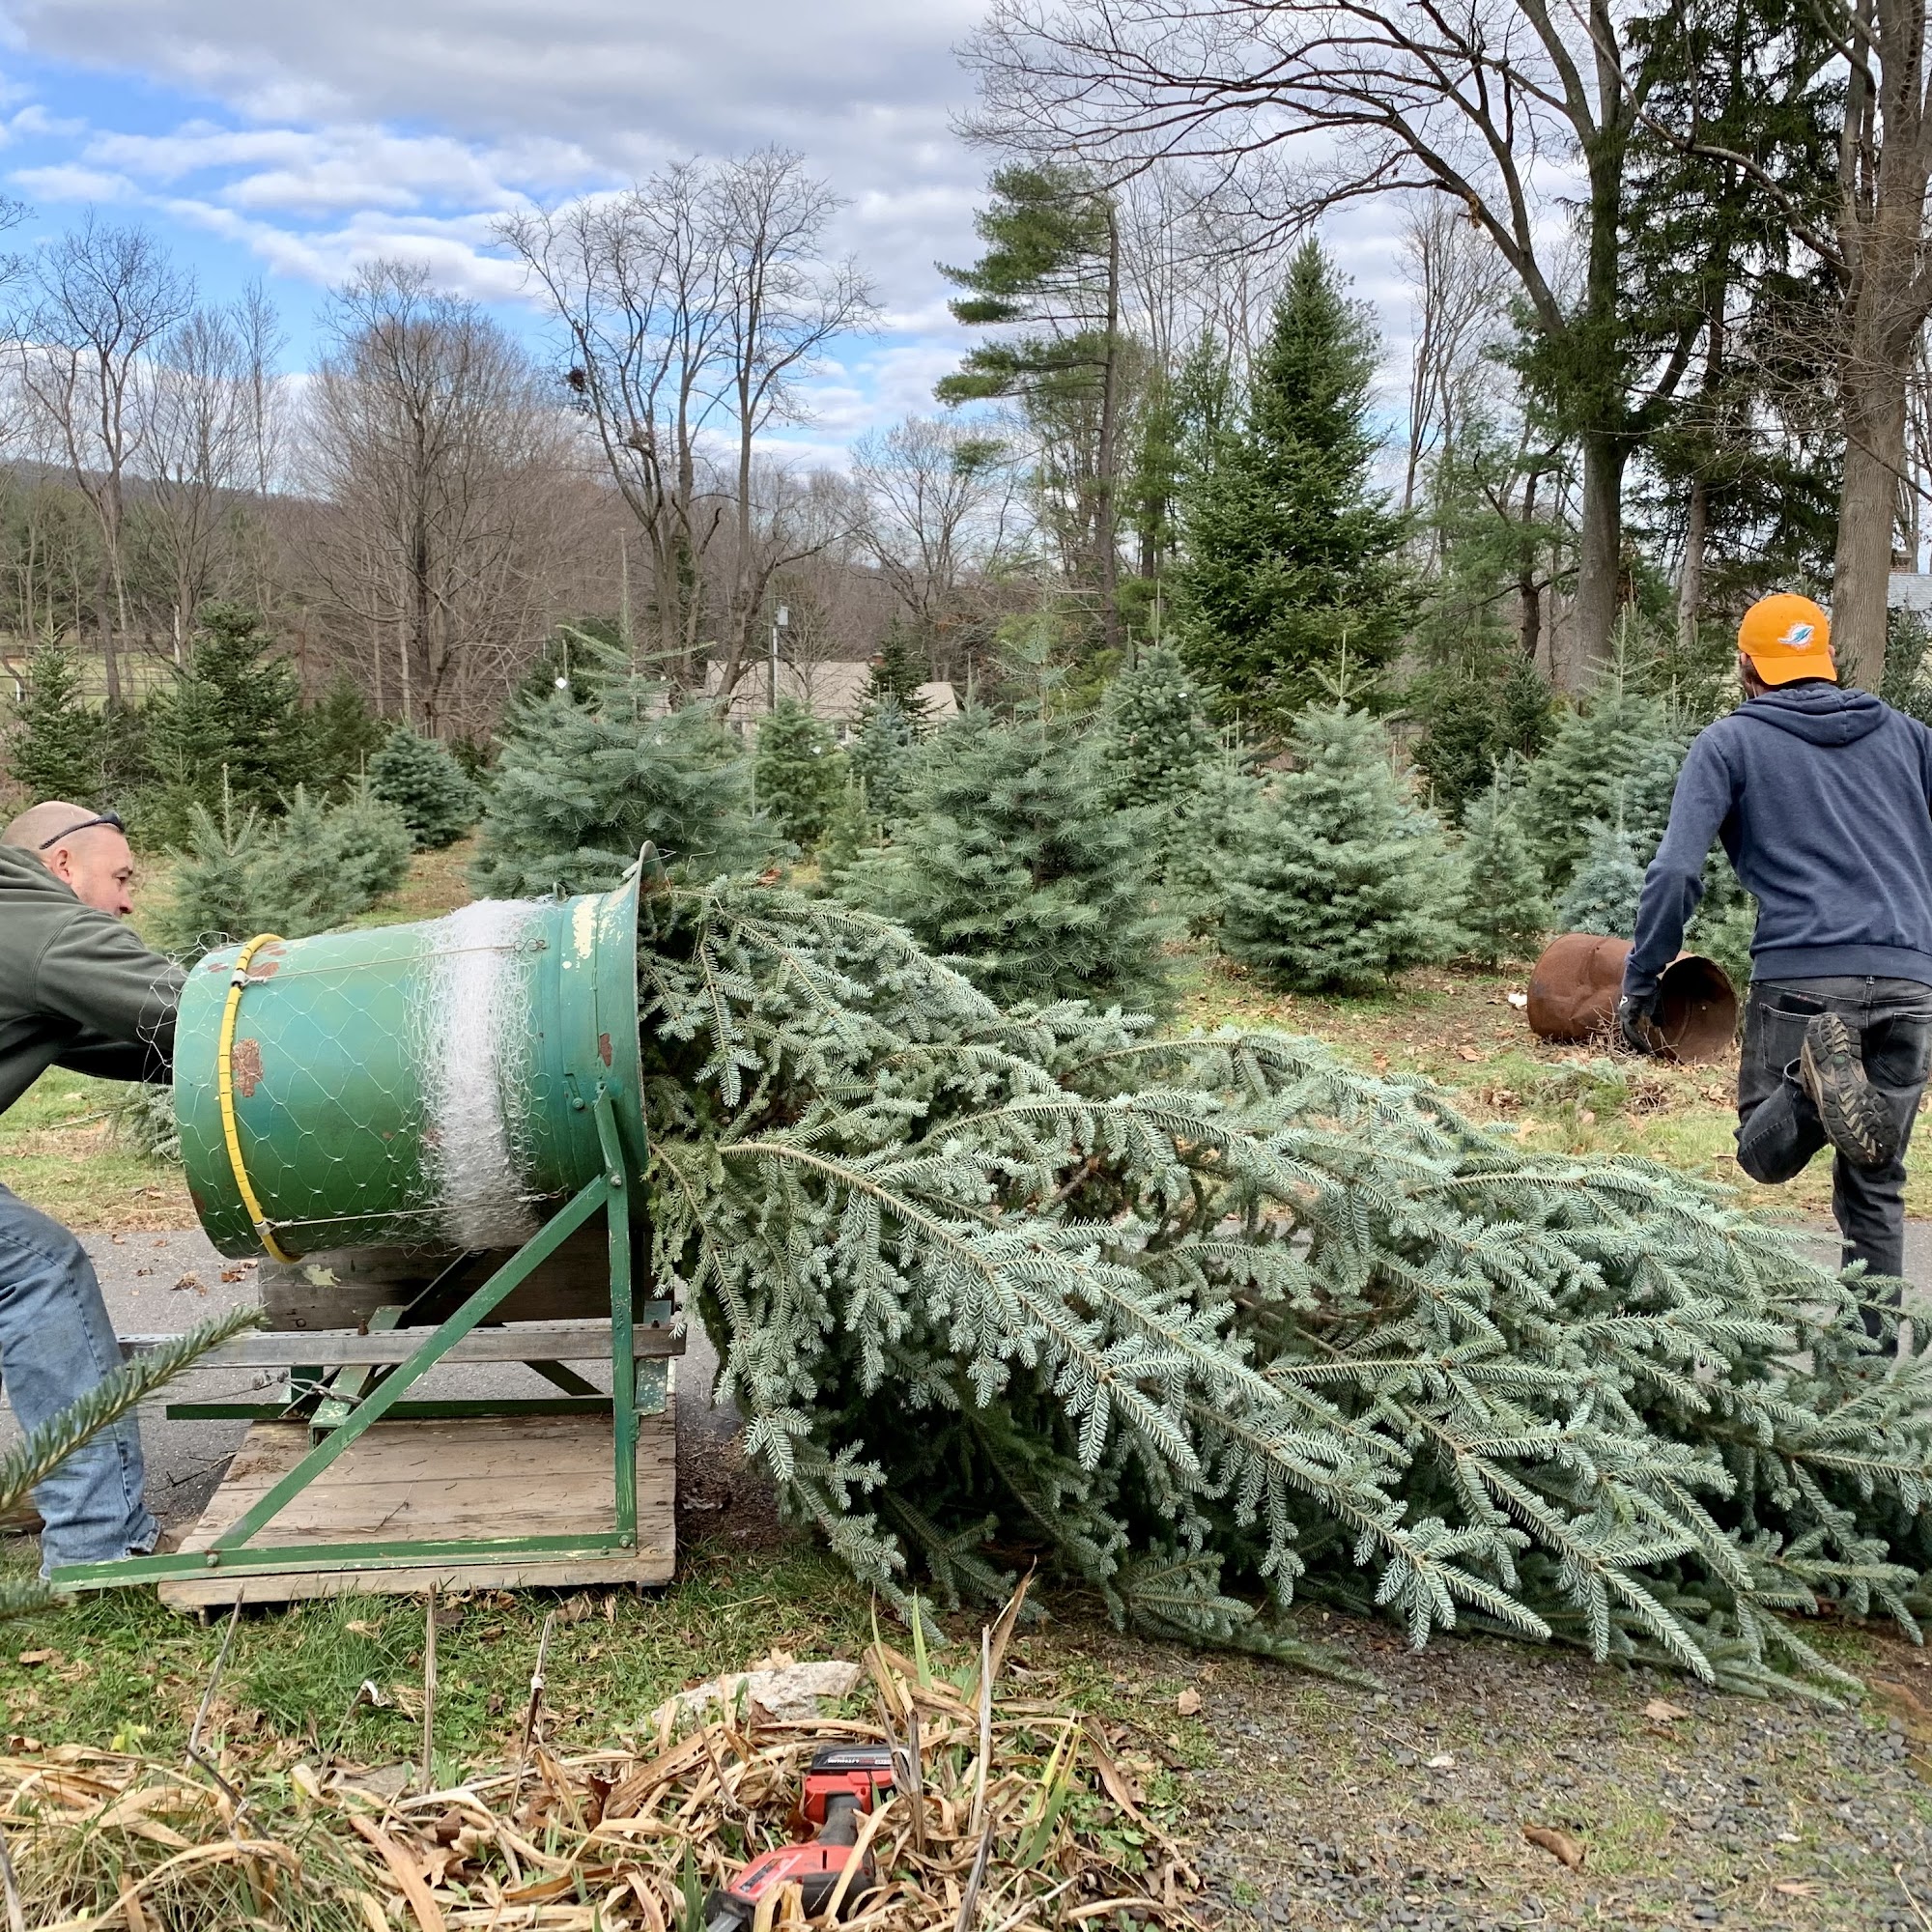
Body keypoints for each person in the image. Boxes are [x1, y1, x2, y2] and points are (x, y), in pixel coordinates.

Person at [1618, 593, 1932, 1339]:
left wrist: (1643, 979)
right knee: (1875, 1180)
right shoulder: (1913, 739)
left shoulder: (1730, 742)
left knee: (1762, 1155)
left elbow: (1675, 872)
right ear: (1826, 660)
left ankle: (1812, 1089)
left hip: (1803, 976)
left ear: (1747, 666)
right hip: (1910, 978)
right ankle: (1866, 1373)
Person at [0, 802, 182, 1570]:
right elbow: (199, 1010)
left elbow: (121, 1041)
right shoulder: (42, 923)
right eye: (123, 878)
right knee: (36, 1266)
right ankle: (98, 1545)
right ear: (63, 864)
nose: (129, 901)